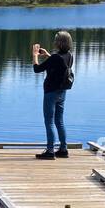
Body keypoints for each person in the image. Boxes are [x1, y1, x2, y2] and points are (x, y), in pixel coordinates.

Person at [31, 30, 74, 159]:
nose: (54, 42)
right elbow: (60, 64)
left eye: (56, 40)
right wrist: (48, 55)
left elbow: (36, 69)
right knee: (59, 121)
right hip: (62, 92)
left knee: (49, 121)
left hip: (51, 92)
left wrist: (35, 55)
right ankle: (63, 149)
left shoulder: (56, 57)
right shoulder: (69, 56)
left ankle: (50, 151)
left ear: (59, 43)